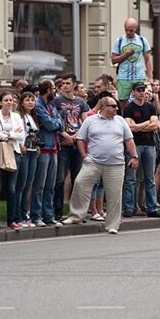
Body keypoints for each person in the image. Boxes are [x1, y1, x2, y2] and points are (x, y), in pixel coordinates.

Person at [62, 96, 138, 234]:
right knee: (80, 184)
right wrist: (84, 156)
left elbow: (129, 140)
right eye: (113, 106)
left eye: (116, 106)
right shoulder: (90, 120)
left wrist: (134, 156)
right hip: (93, 162)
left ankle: (112, 225)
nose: (117, 108)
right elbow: (80, 139)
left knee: (114, 195)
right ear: (103, 107)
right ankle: (75, 216)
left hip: (116, 163)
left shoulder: (120, 121)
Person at [123, 82, 160, 218]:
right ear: (133, 92)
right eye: (138, 90)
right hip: (134, 145)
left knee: (149, 178)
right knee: (131, 178)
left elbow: (155, 126)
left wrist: (140, 125)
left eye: (143, 90)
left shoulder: (150, 107)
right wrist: (147, 123)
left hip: (150, 144)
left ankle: (152, 208)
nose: (141, 93)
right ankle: (129, 207)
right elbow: (129, 128)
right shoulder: (128, 108)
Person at [0, 91, 25, 230]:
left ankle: (11, 220)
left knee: (12, 188)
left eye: (11, 100)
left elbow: (22, 136)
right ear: (1, 102)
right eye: (6, 100)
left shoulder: (16, 116)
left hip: (14, 153)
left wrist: (8, 134)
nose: (9, 102)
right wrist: (12, 134)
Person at [52, 73, 89, 220]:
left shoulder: (80, 102)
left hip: (76, 143)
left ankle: (78, 213)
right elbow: (53, 120)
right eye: (63, 84)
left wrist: (74, 137)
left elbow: (85, 122)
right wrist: (65, 135)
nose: (65, 86)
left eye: (68, 83)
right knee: (59, 179)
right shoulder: (56, 101)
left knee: (78, 179)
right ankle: (58, 211)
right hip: (62, 143)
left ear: (74, 85)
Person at [31, 79, 64, 227]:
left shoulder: (51, 104)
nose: (55, 92)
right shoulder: (38, 105)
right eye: (53, 89)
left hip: (54, 147)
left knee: (50, 185)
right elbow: (51, 125)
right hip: (44, 147)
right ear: (48, 90)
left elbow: (60, 122)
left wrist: (57, 121)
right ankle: (36, 215)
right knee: (40, 184)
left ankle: (48, 215)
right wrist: (57, 121)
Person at [111, 18, 153, 100]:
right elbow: (113, 60)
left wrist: (150, 77)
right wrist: (125, 55)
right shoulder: (119, 41)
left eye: (131, 30)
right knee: (123, 100)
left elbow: (147, 60)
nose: (128, 32)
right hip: (123, 77)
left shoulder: (142, 40)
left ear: (135, 29)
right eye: (126, 30)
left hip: (139, 76)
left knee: (141, 99)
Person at [15, 92, 39, 227]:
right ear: (22, 102)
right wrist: (20, 145)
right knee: (21, 185)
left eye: (32, 100)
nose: (30, 102)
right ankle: (18, 216)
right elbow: (18, 132)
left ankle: (25, 213)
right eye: (27, 100)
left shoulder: (32, 116)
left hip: (32, 152)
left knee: (28, 184)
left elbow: (35, 135)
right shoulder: (18, 115)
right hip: (23, 152)